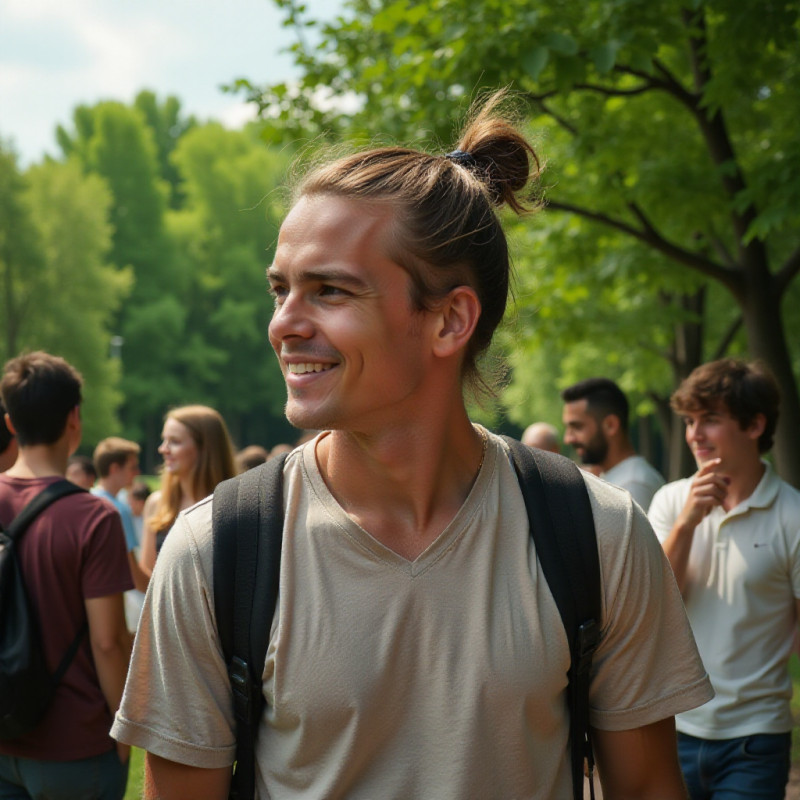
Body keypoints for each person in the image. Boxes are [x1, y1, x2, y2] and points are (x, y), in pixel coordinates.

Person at [112, 92, 712, 800]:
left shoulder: (597, 534)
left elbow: (647, 789)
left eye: (330, 291)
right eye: (280, 291)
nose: (284, 325)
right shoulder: (218, 551)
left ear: (450, 320)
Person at [648, 359, 800, 800]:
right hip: (672, 728)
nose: (694, 434)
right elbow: (655, 603)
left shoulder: (792, 516)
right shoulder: (670, 501)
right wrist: (688, 522)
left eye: (710, 420)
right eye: (690, 420)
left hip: (756, 739)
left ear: (755, 425)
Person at [0, 352, 132, 800]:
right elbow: (108, 642)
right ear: (74, 418)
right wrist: (123, 729)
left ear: (11, 423)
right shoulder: (94, 517)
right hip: (74, 744)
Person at [138, 404, 236, 577]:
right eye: (164, 440)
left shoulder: (236, 505)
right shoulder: (157, 504)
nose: (163, 449)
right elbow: (150, 581)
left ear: (205, 448)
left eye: (174, 442)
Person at [561, 377, 665, 510]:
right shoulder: (617, 480)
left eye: (577, 427)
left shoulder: (633, 485)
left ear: (611, 425)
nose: (568, 439)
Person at [92, 437, 150, 629]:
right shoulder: (117, 509)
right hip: (118, 610)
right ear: (115, 468)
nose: (137, 472)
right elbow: (134, 575)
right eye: (132, 467)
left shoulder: (88, 499)